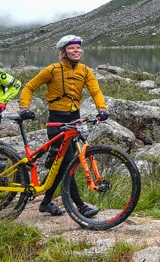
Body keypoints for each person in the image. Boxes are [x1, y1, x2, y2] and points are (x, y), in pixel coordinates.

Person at [17, 35, 106, 217]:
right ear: (63, 52)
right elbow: (29, 87)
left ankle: (47, 202)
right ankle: (80, 206)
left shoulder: (86, 71)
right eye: (72, 48)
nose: (76, 51)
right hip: (56, 121)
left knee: (64, 164)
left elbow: (95, 91)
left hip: (75, 120)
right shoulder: (53, 70)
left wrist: (102, 108)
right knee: (66, 164)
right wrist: (24, 108)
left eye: (78, 48)